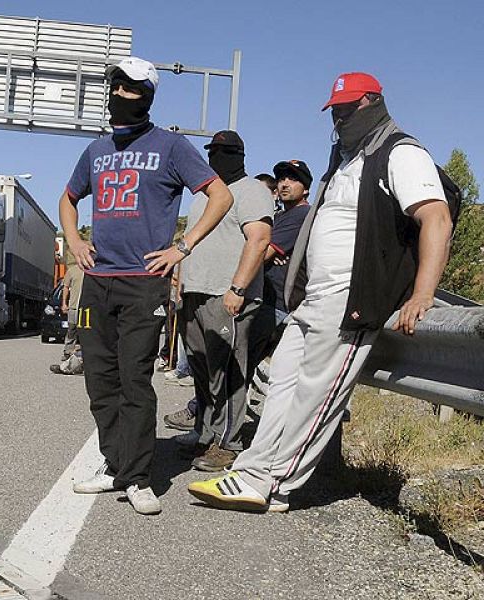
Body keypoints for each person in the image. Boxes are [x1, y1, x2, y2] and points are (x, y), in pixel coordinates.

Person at [188, 72, 452, 513]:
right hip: (314, 297)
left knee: (315, 394)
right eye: (336, 109)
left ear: (374, 102)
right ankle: (253, 471)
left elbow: (436, 219)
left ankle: (275, 482)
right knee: (281, 386)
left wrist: (422, 294)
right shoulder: (347, 160)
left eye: (350, 107)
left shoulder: (400, 151)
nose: (342, 116)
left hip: (352, 298)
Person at [61, 56, 234, 515]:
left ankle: (137, 478)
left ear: (149, 96)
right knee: (100, 379)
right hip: (97, 283)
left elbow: (221, 195)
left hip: (143, 283)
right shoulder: (96, 151)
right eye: (116, 86)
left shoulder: (171, 146)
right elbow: (68, 198)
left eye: (132, 89)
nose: (121, 95)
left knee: (134, 378)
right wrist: (74, 239)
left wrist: (183, 246)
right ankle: (113, 462)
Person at [173, 130, 274, 472]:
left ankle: (228, 443)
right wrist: (180, 288)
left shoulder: (253, 191)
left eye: (224, 151)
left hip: (227, 295)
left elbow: (259, 240)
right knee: (202, 370)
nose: (217, 156)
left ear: (239, 155)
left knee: (228, 372)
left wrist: (239, 288)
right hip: (195, 293)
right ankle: (204, 433)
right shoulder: (204, 195)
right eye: (213, 151)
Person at [246, 160, 313, 408]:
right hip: (267, 298)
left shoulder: (302, 215)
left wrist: (263, 252)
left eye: (293, 179)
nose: (285, 183)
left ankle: (215, 427)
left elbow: (260, 252)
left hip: (276, 302)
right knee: (240, 363)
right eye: (282, 178)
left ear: (305, 188)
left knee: (238, 363)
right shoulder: (281, 216)